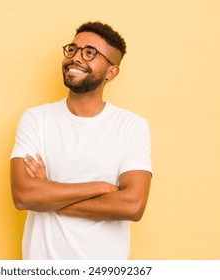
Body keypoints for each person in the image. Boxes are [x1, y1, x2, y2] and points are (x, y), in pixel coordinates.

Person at [10, 21, 152, 260]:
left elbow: (132, 206)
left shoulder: (131, 126)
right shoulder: (36, 119)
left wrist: (47, 196)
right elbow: (24, 195)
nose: (76, 58)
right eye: (73, 49)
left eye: (90, 53)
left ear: (111, 72)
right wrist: (100, 188)